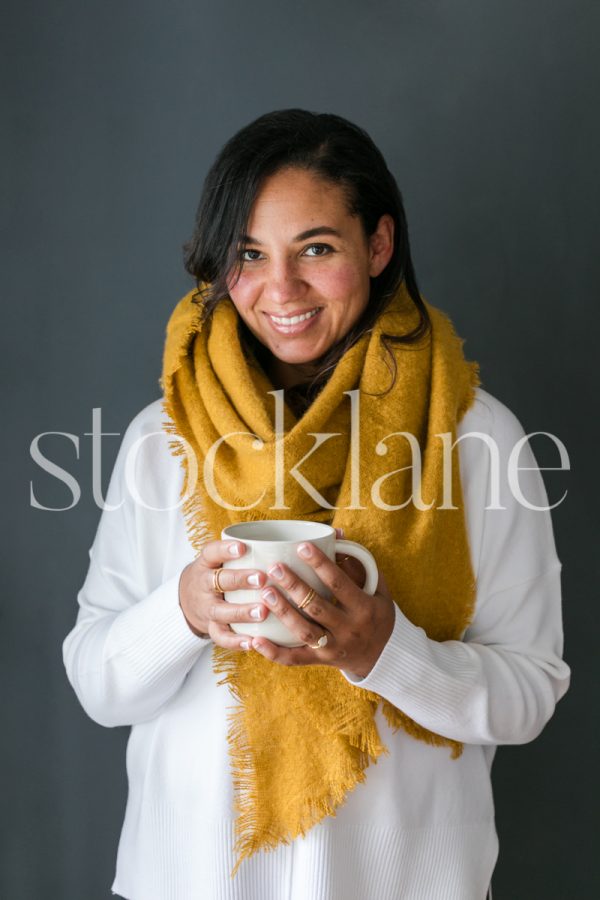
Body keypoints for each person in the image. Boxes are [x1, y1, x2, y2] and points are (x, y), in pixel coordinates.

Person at [63, 109, 570, 900]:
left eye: (318, 249)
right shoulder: (162, 435)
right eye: (250, 255)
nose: (281, 289)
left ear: (378, 245)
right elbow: (96, 682)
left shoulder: (476, 437)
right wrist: (187, 613)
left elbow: (531, 690)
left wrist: (384, 652)